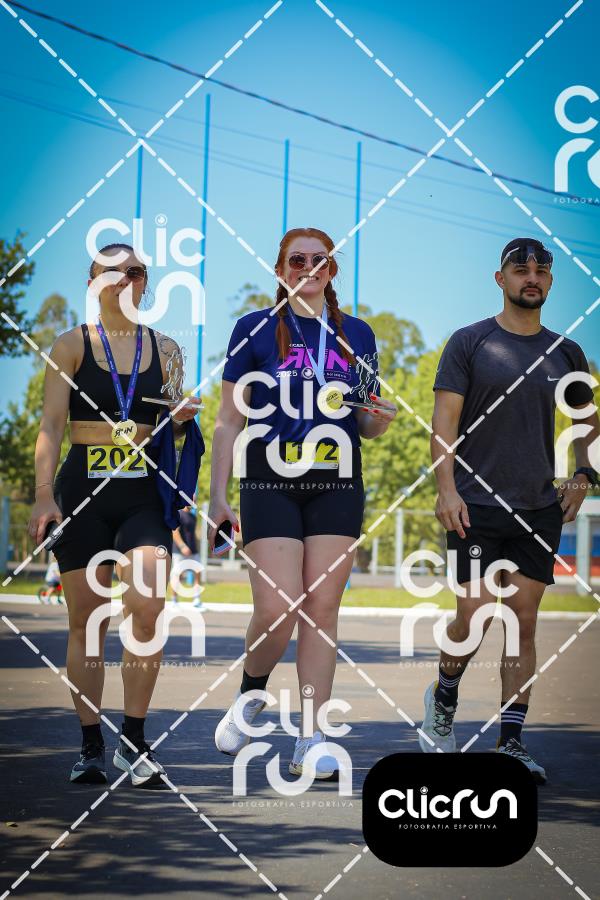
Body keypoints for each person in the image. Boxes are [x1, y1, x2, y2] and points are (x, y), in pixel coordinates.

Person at [209, 227, 397, 779]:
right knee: (277, 608)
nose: (308, 268)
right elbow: (228, 421)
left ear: (332, 270)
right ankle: (250, 695)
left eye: (320, 260)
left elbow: (364, 424)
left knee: (320, 609)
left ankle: (311, 737)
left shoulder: (358, 334)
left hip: (336, 481)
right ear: (280, 270)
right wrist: (217, 497)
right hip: (269, 480)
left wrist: (379, 420)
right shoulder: (253, 329)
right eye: (297, 260)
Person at [420, 237, 599, 783]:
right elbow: (444, 423)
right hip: (474, 503)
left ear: (550, 282)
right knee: (473, 616)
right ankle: (443, 695)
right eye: (521, 269)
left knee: (523, 621)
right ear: (500, 279)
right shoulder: (470, 342)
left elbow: (588, 423)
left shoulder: (567, 353)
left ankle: (512, 742)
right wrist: (446, 489)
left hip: (538, 506)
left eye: (542, 270)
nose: (532, 276)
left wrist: (584, 476)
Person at [28, 243, 201, 787]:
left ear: (146, 282)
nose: (125, 279)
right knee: (88, 620)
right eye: (113, 272)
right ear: (93, 282)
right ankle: (90, 747)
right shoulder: (70, 344)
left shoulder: (166, 349)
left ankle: (134, 740)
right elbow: (51, 426)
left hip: (141, 493)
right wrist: (43, 496)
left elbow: (173, 429)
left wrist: (179, 421)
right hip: (82, 492)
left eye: (136, 271)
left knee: (147, 608)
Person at [170, 506, 204, 609]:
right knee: (177, 575)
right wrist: (182, 546)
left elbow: (192, 534)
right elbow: (174, 531)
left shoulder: (193, 517)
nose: (194, 501)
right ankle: (174, 600)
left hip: (193, 551)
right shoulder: (178, 514)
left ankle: (196, 599)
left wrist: (195, 547)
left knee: (198, 572)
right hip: (179, 551)